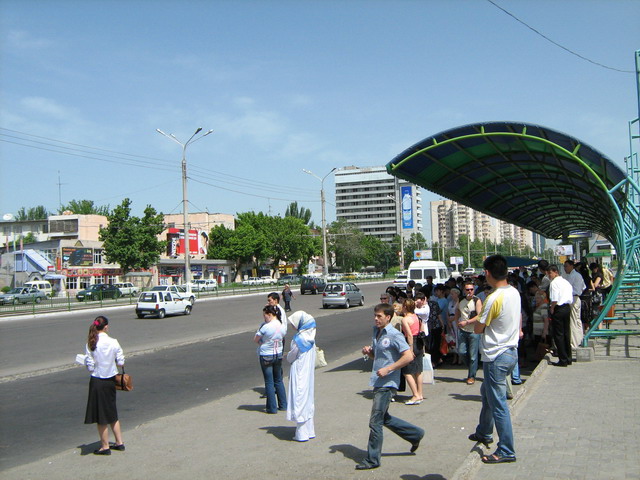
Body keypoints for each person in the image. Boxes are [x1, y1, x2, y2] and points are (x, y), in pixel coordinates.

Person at [356, 303, 425, 470]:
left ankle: (373, 459)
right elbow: (379, 355)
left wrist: (389, 369)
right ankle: (415, 434)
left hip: (388, 383)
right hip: (378, 381)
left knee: (375, 421)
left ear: (388, 317)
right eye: (375, 315)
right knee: (383, 418)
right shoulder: (376, 332)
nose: (376, 319)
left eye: (379, 316)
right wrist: (369, 352)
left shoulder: (394, 334)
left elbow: (408, 356)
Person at [469, 255, 520, 464]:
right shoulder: (514, 292)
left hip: (495, 355)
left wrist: (473, 324)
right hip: (510, 351)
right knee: (486, 393)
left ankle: (506, 449)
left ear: (487, 273)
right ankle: (483, 431)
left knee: (498, 404)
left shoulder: (493, 298)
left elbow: (479, 328)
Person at [83, 316, 125, 455]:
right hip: (111, 379)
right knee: (112, 411)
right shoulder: (114, 342)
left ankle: (105, 446)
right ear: (106, 327)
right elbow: (120, 362)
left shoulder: (91, 342)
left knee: (101, 416)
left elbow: (90, 366)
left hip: (97, 380)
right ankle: (119, 442)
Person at [286, 311, 316, 442]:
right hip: (308, 371)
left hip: (299, 370)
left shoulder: (299, 339)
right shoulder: (311, 337)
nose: (292, 325)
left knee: (299, 398)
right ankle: (310, 431)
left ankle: (301, 433)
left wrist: (286, 356)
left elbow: (292, 356)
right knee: (307, 399)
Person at [254, 305, 287, 413]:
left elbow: (256, 339)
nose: (264, 318)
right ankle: (283, 405)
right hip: (278, 354)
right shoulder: (281, 325)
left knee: (269, 382)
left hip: (266, 355)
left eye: (265, 315)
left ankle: (271, 408)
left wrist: (261, 343)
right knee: (278, 380)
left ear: (269, 314)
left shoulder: (266, 327)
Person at [455, 281, 482, 385]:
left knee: (473, 355)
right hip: (462, 330)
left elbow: (479, 316)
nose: (469, 291)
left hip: (473, 331)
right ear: (464, 290)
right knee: (461, 352)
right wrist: (457, 321)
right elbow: (457, 310)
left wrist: (467, 322)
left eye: (471, 289)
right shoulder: (461, 299)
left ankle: (471, 376)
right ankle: (473, 367)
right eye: (467, 289)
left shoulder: (477, 300)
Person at [548, 265, 574, 367]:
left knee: (559, 334)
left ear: (555, 272)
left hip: (558, 308)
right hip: (567, 307)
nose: (549, 275)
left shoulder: (554, 283)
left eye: (550, 273)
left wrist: (552, 308)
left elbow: (554, 299)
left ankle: (562, 359)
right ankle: (568, 357)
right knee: (566, 333)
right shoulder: (565, 282)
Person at [400, 299, 424, 405]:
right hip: (418, 342)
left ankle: (415, 395)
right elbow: (421, 330)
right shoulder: (417, 317)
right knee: (418, 370)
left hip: (410, 343)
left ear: (405, 307)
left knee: (407, 371)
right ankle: (420, 393)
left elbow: (409, 335)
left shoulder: (405, 319)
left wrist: (410, 349)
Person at [562, 260, 586, 349]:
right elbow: (584, 287)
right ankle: (579, 339)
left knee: (573, 321)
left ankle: (574, 343)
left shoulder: (573, 275)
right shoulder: (576, 275)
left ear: (572, 266)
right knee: (577, 320)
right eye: (564, 266)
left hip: (573, 298)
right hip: (576, 298)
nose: (565, 268)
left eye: (566, 266)